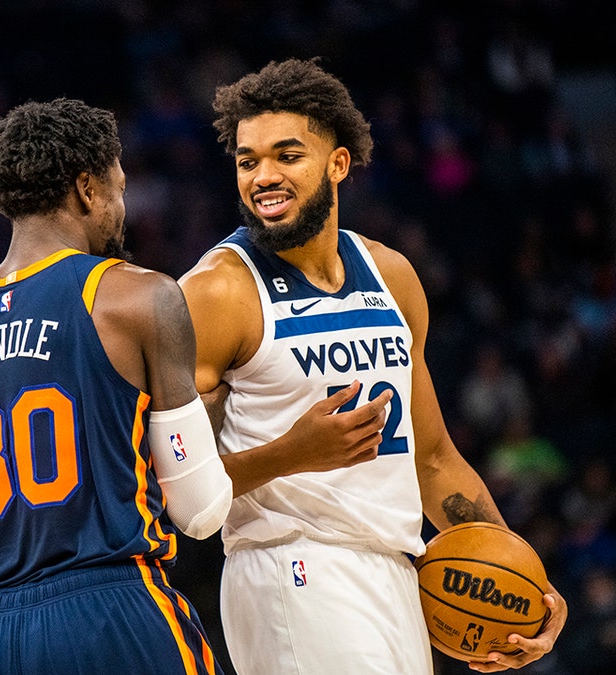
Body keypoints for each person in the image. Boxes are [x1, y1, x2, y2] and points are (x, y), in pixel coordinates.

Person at [177, 57, 567, 674]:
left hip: (396, 569)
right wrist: (291, 454)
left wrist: (523, 581)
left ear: (338, 163)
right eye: (248, 161)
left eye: (287, 155)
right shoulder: (216, 293)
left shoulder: (392, 276)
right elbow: (165, 481)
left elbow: (433, 459)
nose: (264, 177)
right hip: (291, 566)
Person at [0, 97, 232, 675]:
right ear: (87, 188)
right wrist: (218, 401)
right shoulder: (136, 296)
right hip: (116, 608)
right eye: (119, 188)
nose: (122, 209)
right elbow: (201, 512)